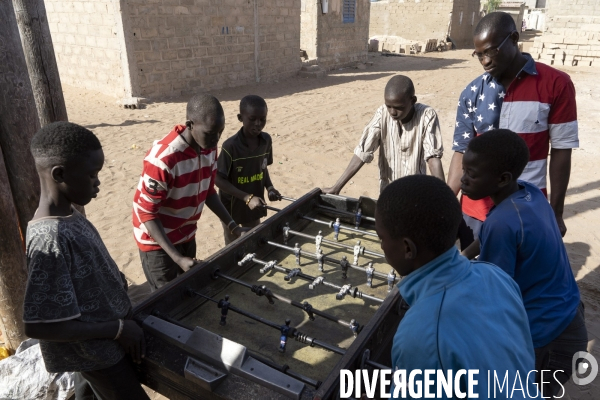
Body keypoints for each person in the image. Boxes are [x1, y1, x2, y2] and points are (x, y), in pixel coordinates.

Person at [375, 175, 535, 398]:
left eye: (381, 238)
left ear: (407, 248)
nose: (381, 246)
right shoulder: (496, 276)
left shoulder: (420, 333)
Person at [23, 122, 149, 399]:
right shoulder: (49, 238)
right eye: (92, 175)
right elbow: (38, 325)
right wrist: (117, 330)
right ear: (60, 174)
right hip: (99, 354)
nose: (98, 182)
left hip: (99, 346)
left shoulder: (69, 213)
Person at [460, 129, 586, 397]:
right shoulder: (528, 194)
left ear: (502, 179)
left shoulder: (501, 223)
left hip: (548, 338)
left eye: (472, 174)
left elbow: (495, 298)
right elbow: (486, 237)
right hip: (569, 318)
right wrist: (461, 258)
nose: (463, 179)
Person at [447, 11, 578, 250]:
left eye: (491, 51)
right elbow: (460, 151)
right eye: (479, 55)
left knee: (516, 282)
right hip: (476, 213)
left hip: (527, 210)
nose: (485, 61)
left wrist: (556, 212)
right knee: (477, 279)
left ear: (514, 38)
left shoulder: (556, 85)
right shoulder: (472, 92)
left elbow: (561, 150)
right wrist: (445, 202)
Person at [132, 94, 248, 291]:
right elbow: (147, 214)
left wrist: (233, 226)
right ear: (190, 124)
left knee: (188, 291)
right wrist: (177, 258)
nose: (217, 139)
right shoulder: (163, 159)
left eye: (220, 132)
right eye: (211, 133)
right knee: (165, 298)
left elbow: (208, 191)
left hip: (186, 233)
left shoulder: (208, 147)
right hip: (158, 242)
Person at [323, 75, 444, 195]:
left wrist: (444, 196)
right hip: (388, 191)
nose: (392, 112)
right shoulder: (382, 113)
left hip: (416, 192)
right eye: (388, 106)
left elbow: (433, 158)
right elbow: (363, 151)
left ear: (412, 101)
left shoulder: (426, 115)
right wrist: (336, 187)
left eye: (399, 107)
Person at [215, 95, 281, 244]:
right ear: (240, 118)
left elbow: (262, 168)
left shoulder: (266, 141)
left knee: (253, 240)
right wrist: (247, 198)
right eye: (252, 119)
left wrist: (269, 187)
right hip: (231, 208)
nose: (258, 124)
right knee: (233, 246)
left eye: (262, 119)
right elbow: (218, 179)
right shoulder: (230, 146)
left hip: (254, 204)